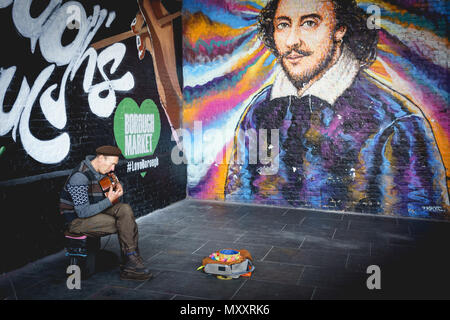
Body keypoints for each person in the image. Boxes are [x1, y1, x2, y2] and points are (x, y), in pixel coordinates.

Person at [225, 0, 449, 217]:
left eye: (309, 23)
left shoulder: (396, 124)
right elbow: (238, 203)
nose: (292, 40)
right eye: (283, 25)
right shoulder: (259, 111)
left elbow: (414, 232)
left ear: (340, 30)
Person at [60, 145, 152, 281]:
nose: (113, 168)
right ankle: (131, 262)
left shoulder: (102, 170)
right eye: (112, 164)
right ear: (101, 158)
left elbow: (111, 182)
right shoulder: (79, 177)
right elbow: (83, 212)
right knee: (124, 224)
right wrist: (109, 200)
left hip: (96, 211)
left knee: (125, 210)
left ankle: (131, 258)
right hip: (76, 221)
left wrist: (118, 185)